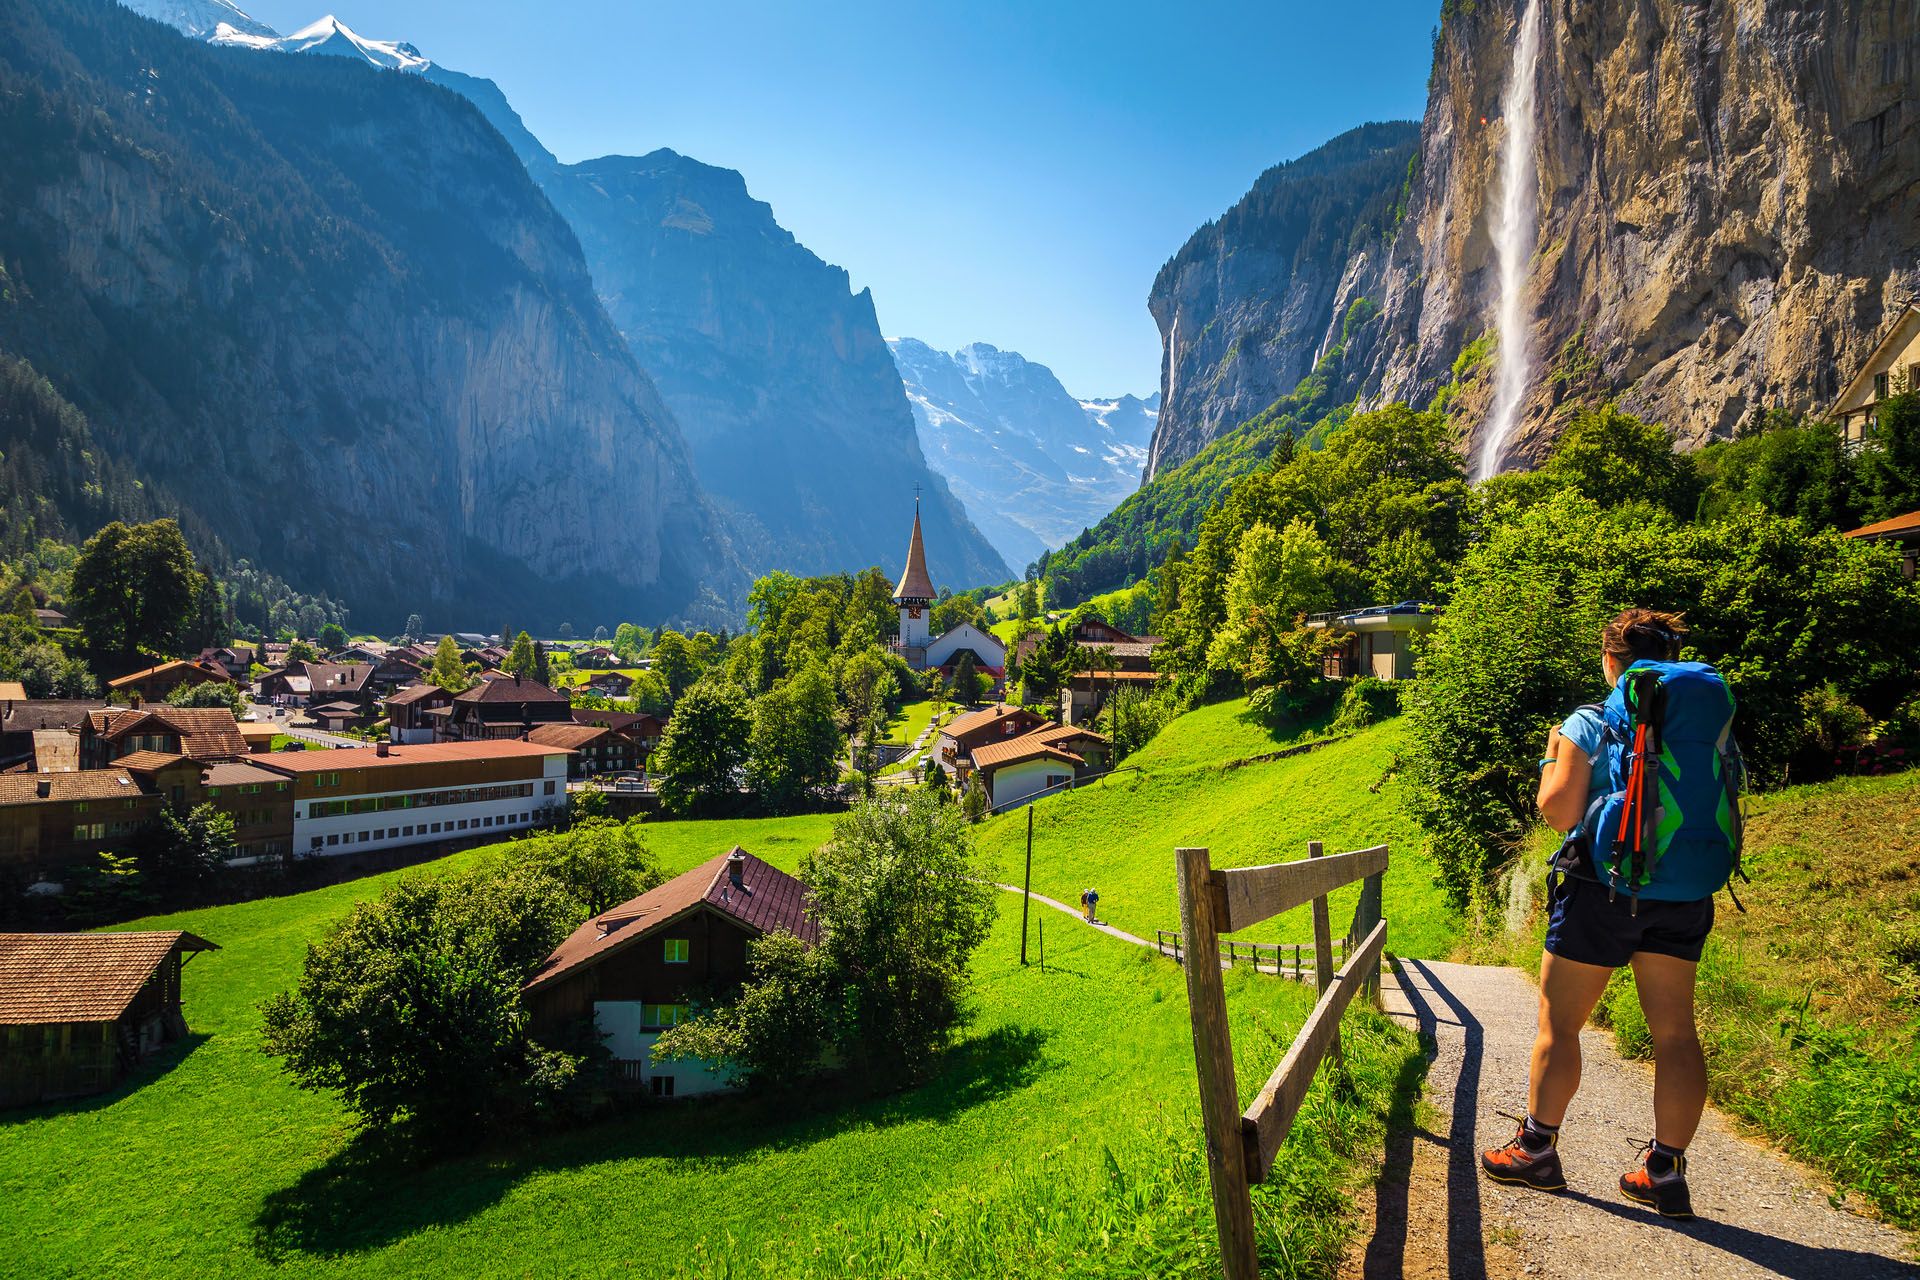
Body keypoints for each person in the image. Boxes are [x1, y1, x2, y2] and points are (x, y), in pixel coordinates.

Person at [1481, 608, 1724, 1222]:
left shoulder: (1589, 721)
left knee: (1559, 1024)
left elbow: (1560, 814)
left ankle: (1537, 1151)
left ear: (1610, 659)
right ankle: (1665, 1173)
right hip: (1685, 888)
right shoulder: (1704, 718)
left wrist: (1552, 756)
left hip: (1602, 889)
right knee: (1674, 1034)